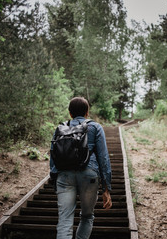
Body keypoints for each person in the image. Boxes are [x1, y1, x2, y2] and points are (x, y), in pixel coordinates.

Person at [50, 97, 112, 239]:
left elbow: (53, 156)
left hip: (64, 176)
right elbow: (103, 158)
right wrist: (106, 188)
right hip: (89, 174)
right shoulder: (95, 127)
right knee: (87, 216)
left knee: (65, 219)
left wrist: (55, 179)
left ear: (70, 113)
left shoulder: (61, 128)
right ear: (87, 113)